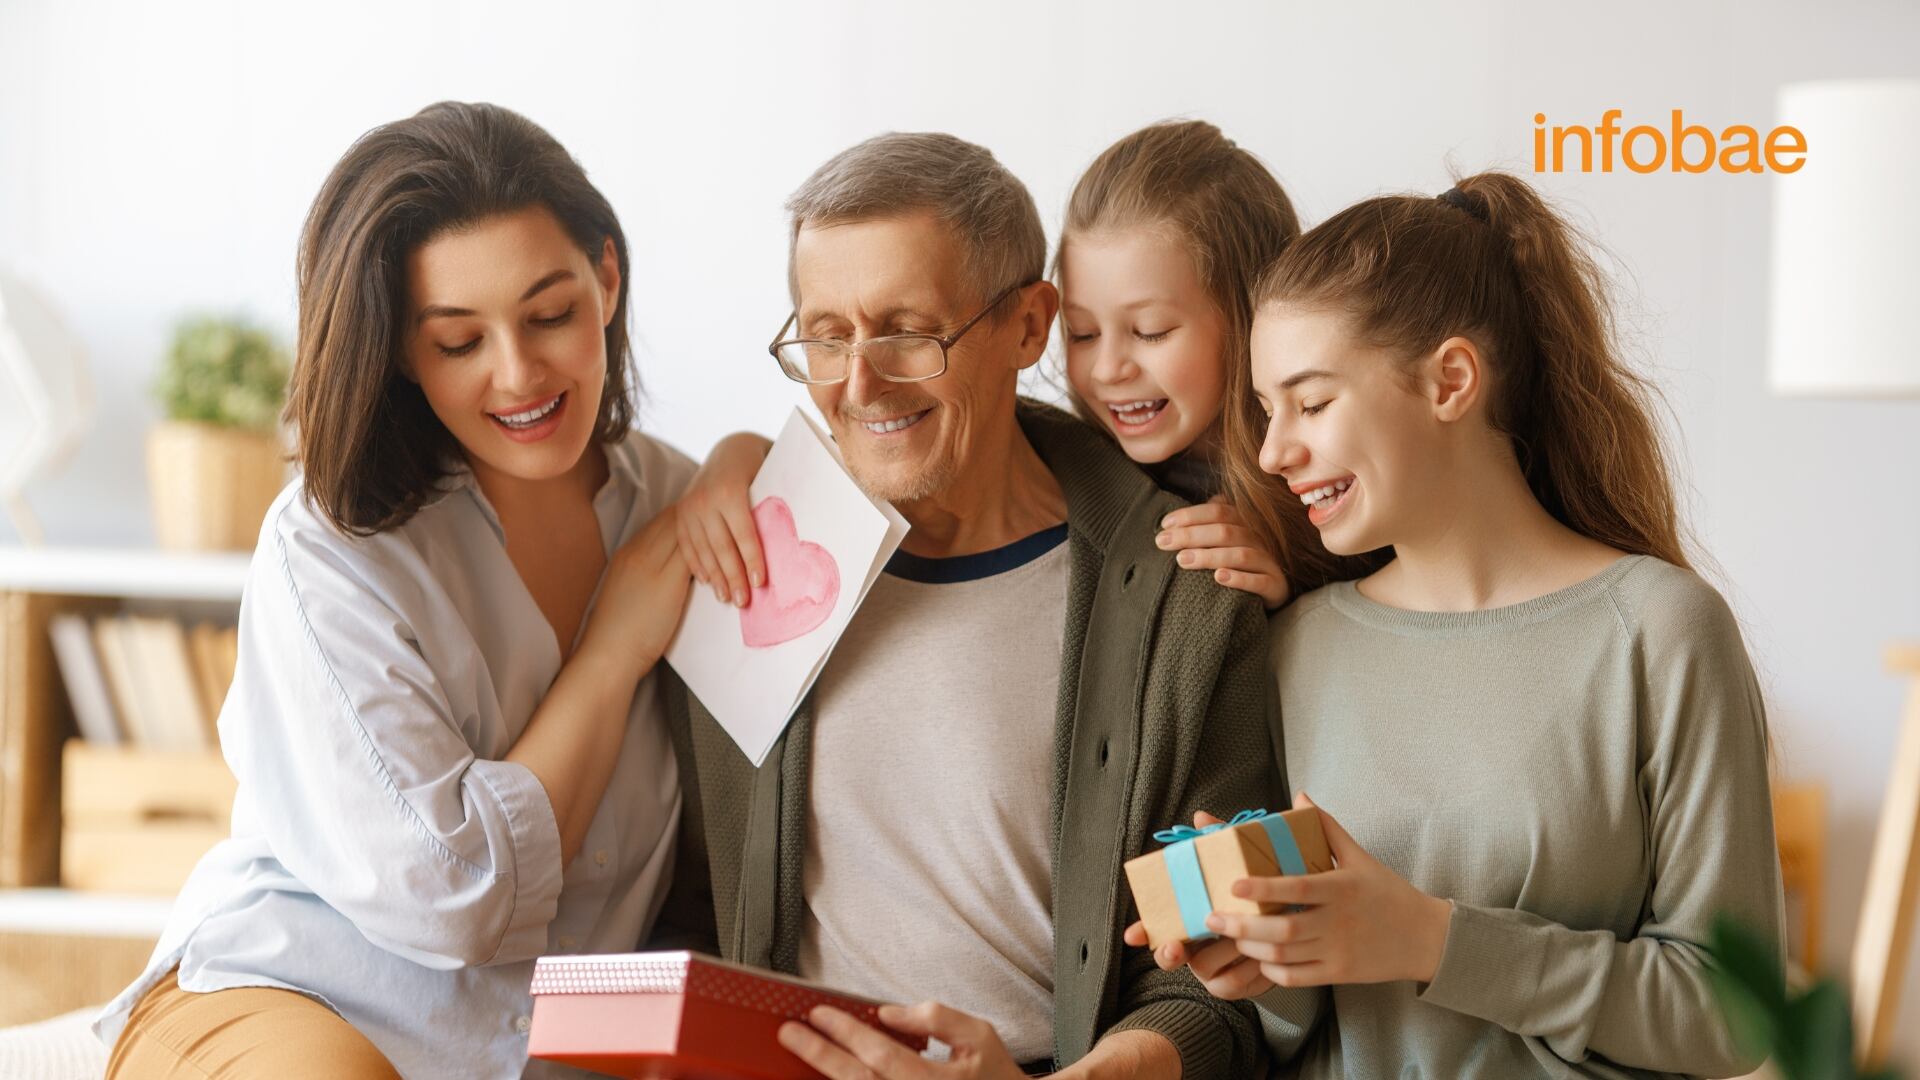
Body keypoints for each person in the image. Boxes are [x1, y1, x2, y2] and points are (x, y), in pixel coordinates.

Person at [653, 131, 1276, 1080]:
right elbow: (693, 908)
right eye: (825, 334)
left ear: (1029, 327)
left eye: (909, 329)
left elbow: (1213, 989)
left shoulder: (1190, 596)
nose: (860, 384)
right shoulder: (750, 564)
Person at [1135, 171, 1785, 1078]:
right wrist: (1262, 968)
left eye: (1312, 402)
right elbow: (1311, 1020)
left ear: (1450, 381)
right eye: (1266, 409)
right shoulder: (1295, 647)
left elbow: (1736, 1019)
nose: (1275, 451)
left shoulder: (1659, 634)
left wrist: (1439, 942)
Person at [97, 102, 695, 1078]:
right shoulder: (329, 546)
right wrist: (614, 649)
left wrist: (753, 461)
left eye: (551, 314)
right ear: (404, 357)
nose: (519, 373)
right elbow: (454, 893)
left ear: (608, 279)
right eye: (459, 341)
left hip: (556, 1047)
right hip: (301, 994)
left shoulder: (677, 501)